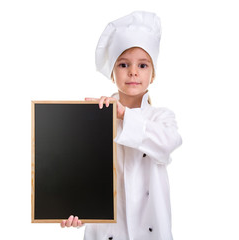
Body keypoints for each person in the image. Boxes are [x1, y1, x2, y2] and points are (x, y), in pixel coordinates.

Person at [61, 11, 182, 240]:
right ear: (112, 73)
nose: (133, 72)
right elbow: (84, 178)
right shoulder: (94, 121)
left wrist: (124, 115)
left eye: (143, 65)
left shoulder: (161, 117)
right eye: (124, 64)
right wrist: (76, 211)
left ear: (153, 75)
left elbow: (167, 143)